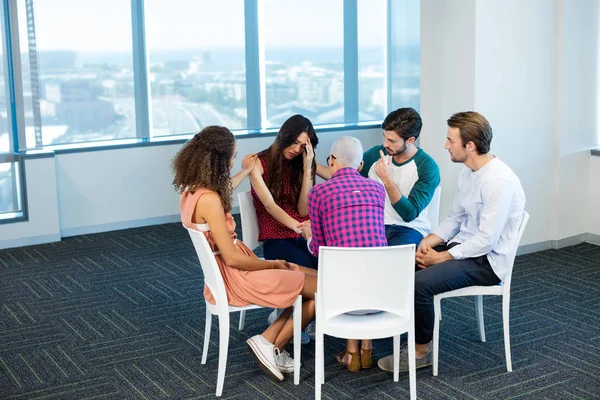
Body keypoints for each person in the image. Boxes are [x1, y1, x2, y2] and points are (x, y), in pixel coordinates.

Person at [377, 111, 526, 372]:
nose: (445, 145)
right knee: (405, 263)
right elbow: (455, 218)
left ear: (469, 145)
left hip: (486, 262)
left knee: (418, 285)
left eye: (450, 140)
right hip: (465, 248)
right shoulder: (469, 173)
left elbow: (486, 240)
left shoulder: (498, 182)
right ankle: (413, 335)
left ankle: (423, 351)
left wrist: (442, 256)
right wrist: (429, 241)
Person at [173, 126, 318, 382]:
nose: (233, 161)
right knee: (321, 290)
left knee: (316, 282)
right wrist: (273, 264)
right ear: (219, 160)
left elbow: (223, 190)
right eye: (232, 157)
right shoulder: (210, 200)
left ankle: (270, 340)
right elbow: (232, 258)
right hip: (237, 275)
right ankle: (270, 343)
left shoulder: (192, 191)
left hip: (230, 271)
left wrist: (247, 170)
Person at [299, 136, 387, 372]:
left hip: (341, 300)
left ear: (331, 161)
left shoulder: (318, 193)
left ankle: (351, 352)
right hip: (383, 296)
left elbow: (319, 250)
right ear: (360, 166)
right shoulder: (378, 190)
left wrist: (308, 234)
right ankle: (365, 349)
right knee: (366, 260)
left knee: (341, 264)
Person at [317, 107, 440, 248]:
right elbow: (342, 178)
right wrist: (311, 165)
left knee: (387, 259)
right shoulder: (377, 153)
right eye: (385, 137)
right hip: (374, 225)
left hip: (409, 229)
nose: (386, 144)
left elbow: (409, 214)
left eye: (392, 141)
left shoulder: (428, 167)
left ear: (410, 140)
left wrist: (387, 179)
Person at [249, 114, 319, 269]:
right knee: (307, 268)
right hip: (276, 238)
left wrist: (308, 169)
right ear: (284, 136)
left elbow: (303, 211)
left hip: (301, 234)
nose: (296, 149)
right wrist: (298, 227)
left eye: (302, 146)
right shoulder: (258, 163)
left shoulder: (299, 164)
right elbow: (270, 205)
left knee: (326, 264)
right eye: (295, 142)